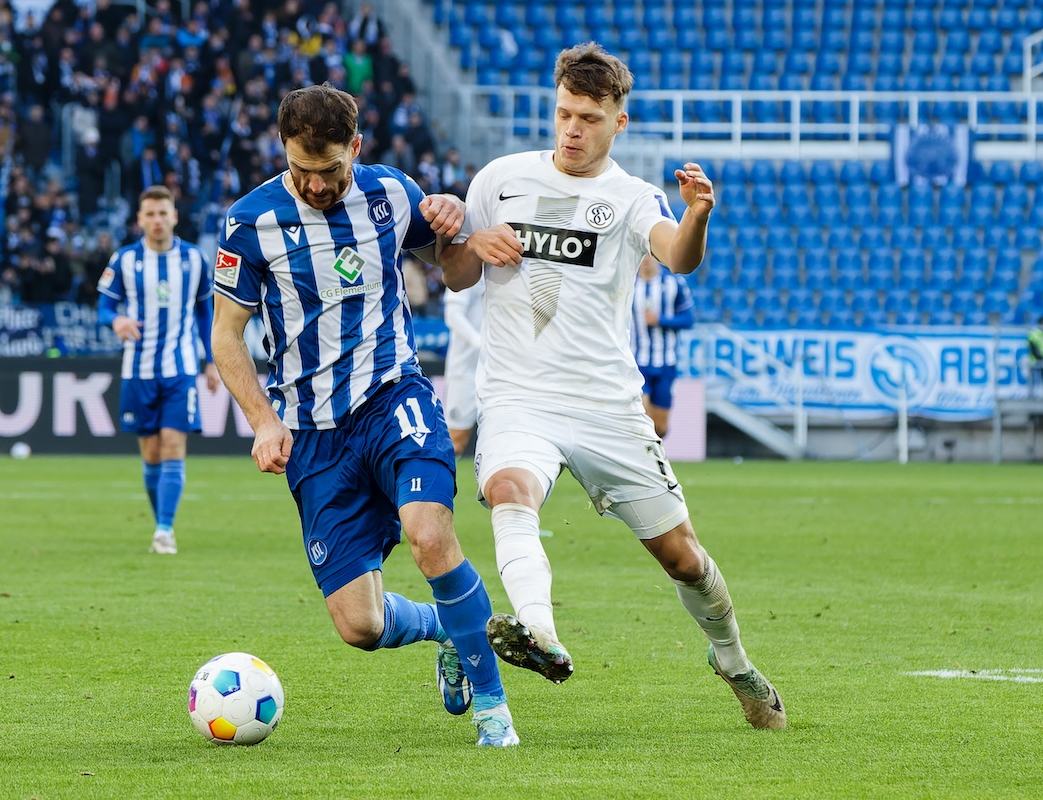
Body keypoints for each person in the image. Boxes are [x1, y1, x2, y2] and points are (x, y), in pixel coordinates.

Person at [439, 43, 786, 730]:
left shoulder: (630, 198)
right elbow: (455, 277)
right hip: (519, 396)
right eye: (564, 113)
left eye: (589, 118)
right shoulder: (499, 180)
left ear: (617, 123)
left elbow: (676, 256)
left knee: (683, 559)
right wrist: (467, 247)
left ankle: (733, 660)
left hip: (607, 405)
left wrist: (698, 216)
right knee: (510, 490)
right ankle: (538, 631)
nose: (572, 129)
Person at [209, 84, 519, 747]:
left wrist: (454, 227)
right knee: (361, 626)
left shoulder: (392, 193)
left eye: (329, 170)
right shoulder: (249, 222)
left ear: (356, 147)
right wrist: (265, 422)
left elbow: (458, 274)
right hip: (315, 436)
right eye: (301, 170)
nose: (316, 185)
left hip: (392, 397)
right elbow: (226, 337)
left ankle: (494, 708)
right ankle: (445, 628)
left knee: (429, 536)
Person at [97, 185, 221, 555]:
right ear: (139, 219)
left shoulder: (195, 259)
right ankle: (160, 523)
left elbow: (204, 313)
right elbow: (104, 306)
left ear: (174, 216)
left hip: (180, 369)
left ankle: (165, 530)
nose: (156, 220)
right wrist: (116, 320)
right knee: (151, 453)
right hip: (138, 370)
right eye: (149, 214)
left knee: (172, 445)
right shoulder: (124, 260)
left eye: (162, 213)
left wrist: (212, 361)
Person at [631, 253, 696, 438]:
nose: (644, 260)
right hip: (637, 362)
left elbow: (689, 319)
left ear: (657, 258)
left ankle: (651, 454)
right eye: (641, 256)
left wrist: (661, 319)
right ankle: (641, 460)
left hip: (666, 362)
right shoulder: (629, 284)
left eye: (648, 256)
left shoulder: (674, 284)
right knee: (641, 412)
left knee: (660, 427)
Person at [442, 280, 484, 455]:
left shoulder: (506, 273)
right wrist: (480, 343)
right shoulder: (467, 269)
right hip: (465, 370)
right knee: (456, 441)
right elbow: (452, 316)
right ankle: (438, 481)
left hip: (496, 371)